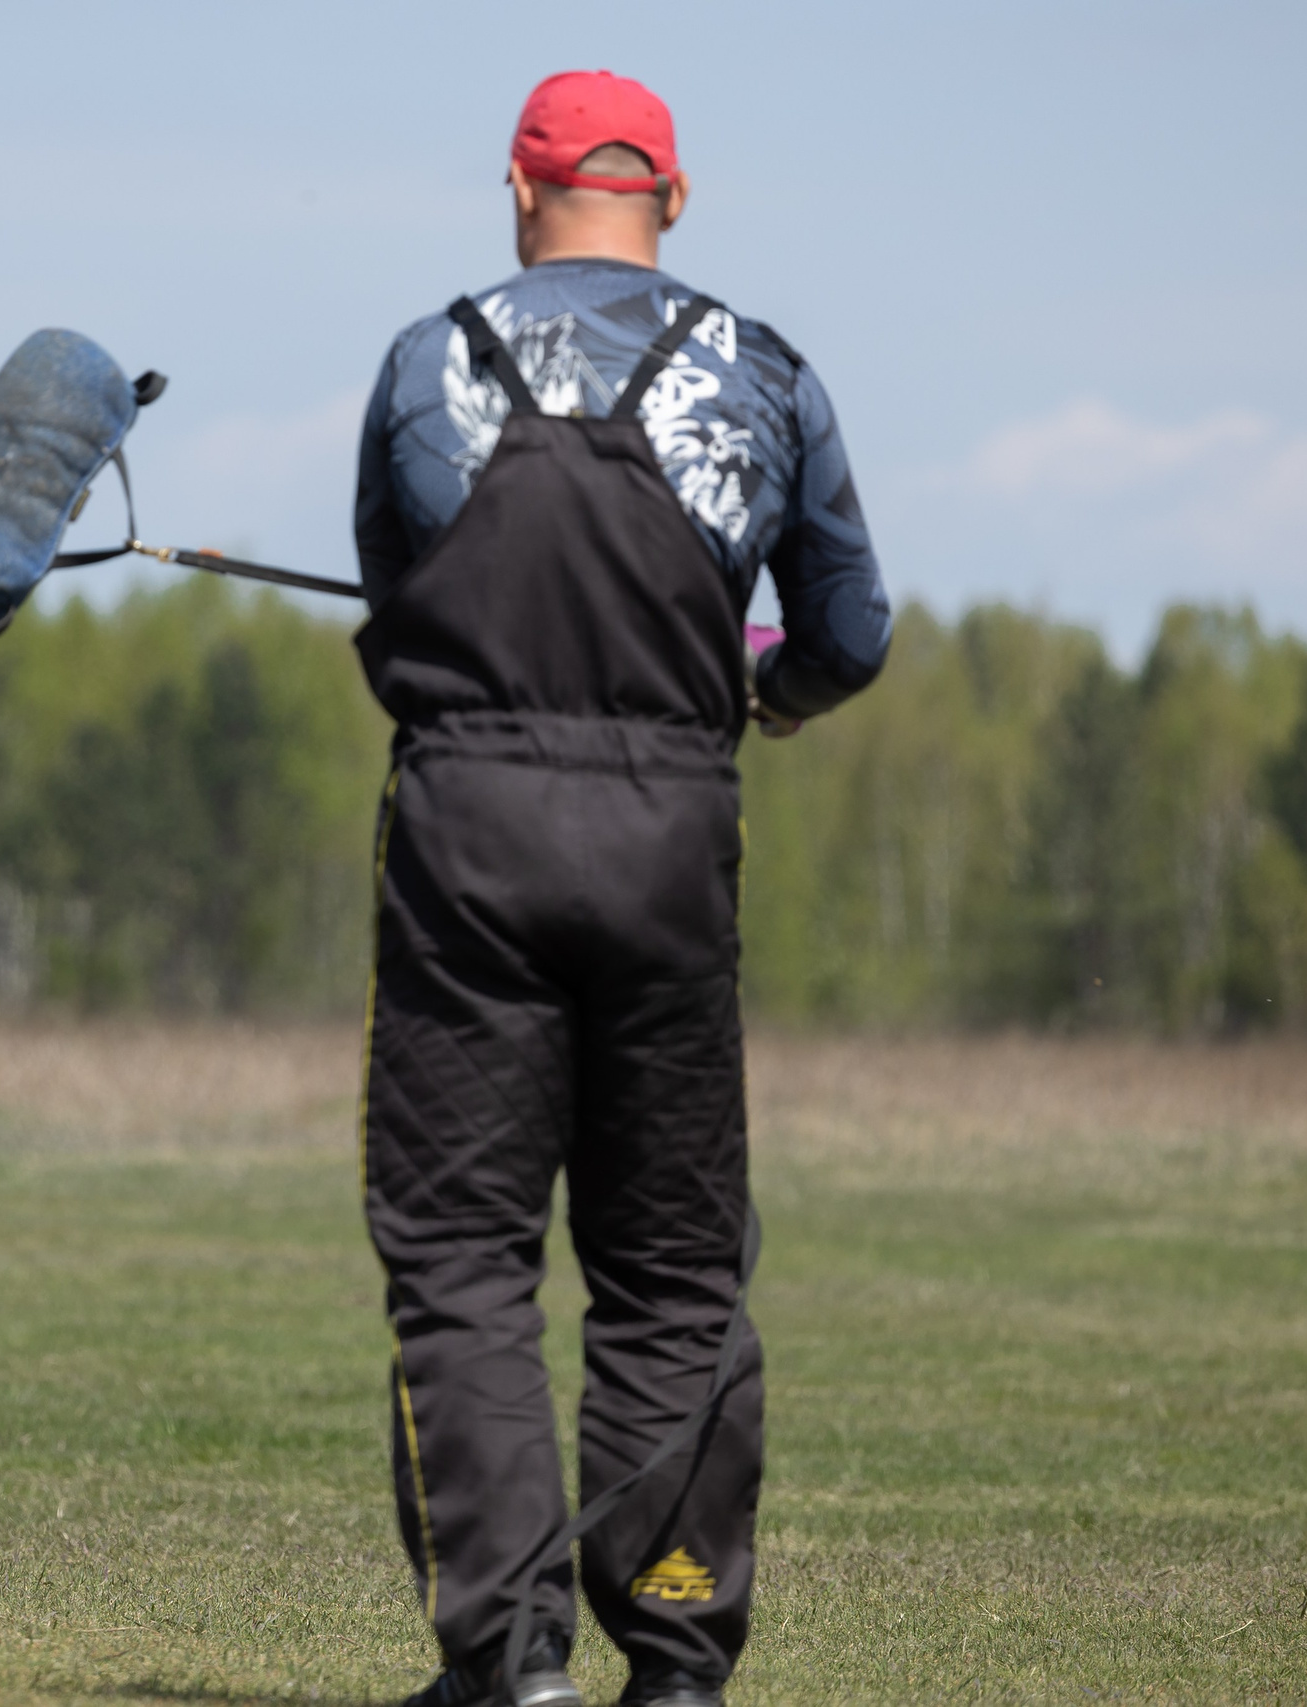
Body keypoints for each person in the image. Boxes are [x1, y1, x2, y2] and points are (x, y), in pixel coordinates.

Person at [352, 72, 891, 1707]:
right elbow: (850, 633)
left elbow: (394, 600)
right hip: (671, 840)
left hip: (469, 840)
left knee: (465, 1261)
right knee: (670, 1264)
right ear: (674, 201)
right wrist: (766, 690)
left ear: (524, 195)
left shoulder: (427, 361)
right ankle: (673, 1651)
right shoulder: (767, 372)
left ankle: (511, 1662)